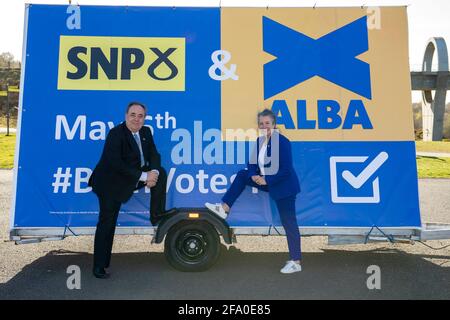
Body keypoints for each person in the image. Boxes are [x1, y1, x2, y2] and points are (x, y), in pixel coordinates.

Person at [205, 109, 302, 274]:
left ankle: (296, 261)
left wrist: (266, 180)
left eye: (267, 123)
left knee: (289, 223)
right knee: (243, 174)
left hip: (284, 187)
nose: (264, 126)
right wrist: (254, 176)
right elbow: (251, 164)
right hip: (267, 182)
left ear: (274, 124)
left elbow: (286, 170)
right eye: (261, 123)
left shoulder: (282, 141)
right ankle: (224, 207)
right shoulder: (260, 141)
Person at [88, 102, 176, 279]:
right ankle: (100, 265)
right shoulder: (116, 134)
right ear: (126, 115)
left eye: (140, 116)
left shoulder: (145, 132)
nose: (136, 119)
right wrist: (145, 177)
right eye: (133, 115)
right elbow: (116, 164)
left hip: (132, 177)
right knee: (107, 223)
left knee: (162, 173)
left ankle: (156, 214)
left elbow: (154, 155)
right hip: (110, 183)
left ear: (144, 118)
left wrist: (154, 173)